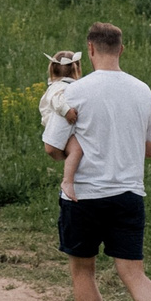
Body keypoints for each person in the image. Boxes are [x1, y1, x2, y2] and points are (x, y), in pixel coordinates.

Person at [43, 22, 151, 301]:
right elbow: (148, 147)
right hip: (129, 193)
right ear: (122, 48)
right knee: (133, 272)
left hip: (83, 196)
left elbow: (52, 147)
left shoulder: (75, 91)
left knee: (83, 271)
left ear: (90, 49)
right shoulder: (142, 91)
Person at [39, 50, 87, 201]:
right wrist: (67, 112)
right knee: (77, 149)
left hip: (54, 127)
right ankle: (68, 181)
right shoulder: (62, 87)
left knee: (75, 150)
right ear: (76, 68)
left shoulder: (56, 85)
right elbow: (56, 100)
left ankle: (69, 177)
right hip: (56, 127)